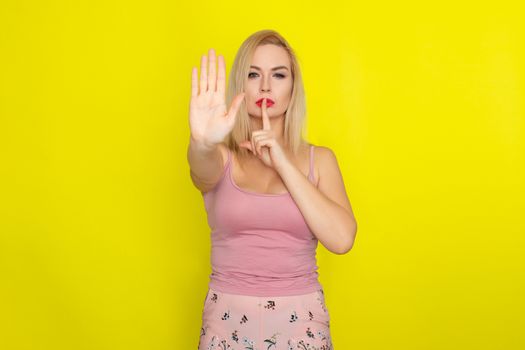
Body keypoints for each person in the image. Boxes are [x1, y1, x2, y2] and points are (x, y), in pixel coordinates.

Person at [187, 29, 357, 350]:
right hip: (226, 322)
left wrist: (282, 162)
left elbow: (342, 239)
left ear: (293, 89)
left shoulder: (319, 160)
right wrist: (202, 142)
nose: (265, 86)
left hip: (301, 322)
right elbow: (201, 166)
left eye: (278, 75)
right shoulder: (221, 157)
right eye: (254, 74)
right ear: (241, 84)